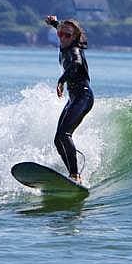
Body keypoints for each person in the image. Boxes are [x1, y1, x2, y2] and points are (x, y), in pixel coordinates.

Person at [44, 14, 94, 183]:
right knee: (58, 139)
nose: (63, 38)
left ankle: (75, 175)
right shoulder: (65, 41)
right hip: (74, 98)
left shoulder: (74, 51)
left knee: (64, 135)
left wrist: (61, 80)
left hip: (83, 96)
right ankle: (72, 174)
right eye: (60, 34)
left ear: (75, 38)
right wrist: (53, 23)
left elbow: (76, 64)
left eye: (67, 35)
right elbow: (61, 28)